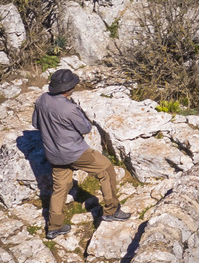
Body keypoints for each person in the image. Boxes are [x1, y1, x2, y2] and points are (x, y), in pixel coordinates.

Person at [32, 68, 134, 239]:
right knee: (106, 170)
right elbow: (86, 128)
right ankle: (112, 210)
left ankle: (54, 227)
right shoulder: (69, 108)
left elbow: (36, 124)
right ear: (68, 88)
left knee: (60, 188)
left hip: (54, 154)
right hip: (75, 152)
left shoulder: (42, 99)